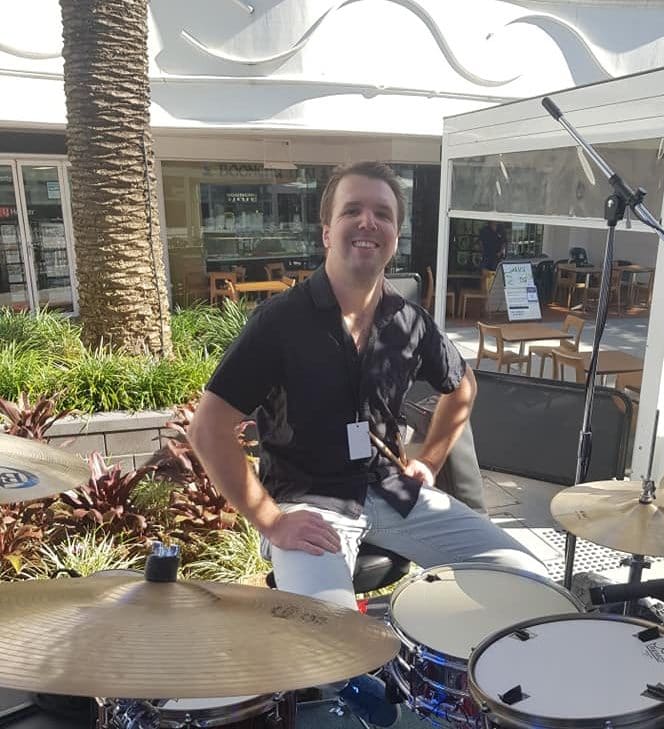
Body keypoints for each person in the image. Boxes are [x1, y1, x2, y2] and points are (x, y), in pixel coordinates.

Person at [188, 162, 546, 726]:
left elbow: (463, 388)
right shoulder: (280, 322)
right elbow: (208, 429)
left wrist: (428, 460)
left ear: (395, 237)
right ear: (326, 231)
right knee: (335, 650)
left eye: (382, 213)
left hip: (391, 489)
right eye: (352, 209)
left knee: (532, 585)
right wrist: (270, 521)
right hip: (309, 502)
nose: (367, 222)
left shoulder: (409, 321)